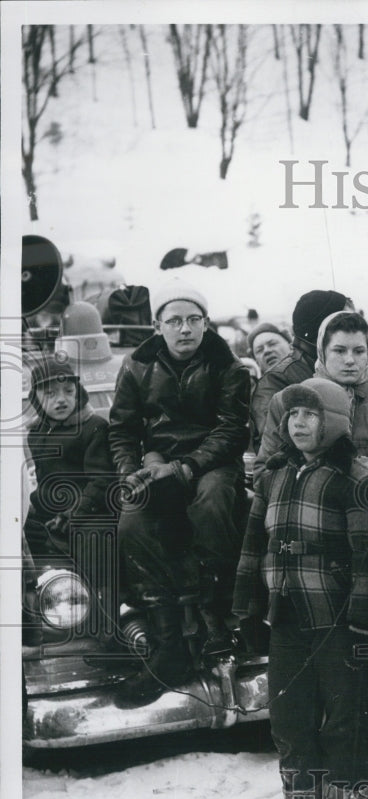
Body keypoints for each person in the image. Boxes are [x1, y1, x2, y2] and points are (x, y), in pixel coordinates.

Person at [255, 311, 368, 799]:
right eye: (340, 350)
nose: (351, 360)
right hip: (315, 561)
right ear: (322, 352)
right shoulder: (287, 404)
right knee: (323, 668)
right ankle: (322, 775)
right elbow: (267, 467)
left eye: (360, 350)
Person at [233, 378, 368, 799]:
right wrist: (245, 606)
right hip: (286, 611)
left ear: (335, 421)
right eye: (292, 415)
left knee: (344, 711)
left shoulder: (357, 478)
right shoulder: (274, 475)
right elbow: (251, 545)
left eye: (310, 415)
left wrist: (363, 615)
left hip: (338, 616)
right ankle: (302, 795)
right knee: (289, 709)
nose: (298, 423)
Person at [108, 282, 251, 706]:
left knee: (210, 504)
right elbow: (122, 429)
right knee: (132, 520)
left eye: (194, 319)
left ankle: (214, 617)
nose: (185, 329)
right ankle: (166, 640)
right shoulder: (135, 366)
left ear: (206, 323)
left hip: (212, 463)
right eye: (174, 321)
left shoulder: (229, 365)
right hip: (156, 462)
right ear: (158, 326)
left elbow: (232, 431)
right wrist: (130, 474)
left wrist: (188, 466)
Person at [24, 355, 115, 564]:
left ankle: (102, 594)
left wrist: (72, 515)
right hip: (50, 513)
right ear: (36, 398)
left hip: (87, 512)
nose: (61, 399)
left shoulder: (94, 427)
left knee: (94, 537)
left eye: (69, 391)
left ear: (78, 392)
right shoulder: (36, 433)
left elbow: (101, 483)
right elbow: (43, 481)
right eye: (50, 394)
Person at [249, 290, 351, 447]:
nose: (356, 330)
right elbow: (275, 448)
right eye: (345, 324)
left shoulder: (353, 366)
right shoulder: (276, 381)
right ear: (320, 329)